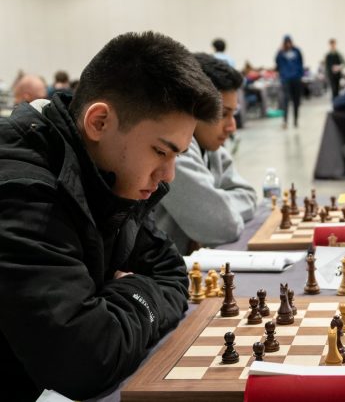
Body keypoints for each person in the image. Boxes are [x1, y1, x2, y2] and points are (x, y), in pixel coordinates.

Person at [0, 31, 220, 401]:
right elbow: (86, 359)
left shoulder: (106, 177)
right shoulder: (22, 189)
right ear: (99, 122)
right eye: (160, 151)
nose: (169, 175)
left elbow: (171, 271)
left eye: (177, 155)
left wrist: (111, 300)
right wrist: (136, 290)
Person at [155, 54, 257, 255]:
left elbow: (249, 195)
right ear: (195, 108)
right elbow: (222, 226)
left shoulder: (213, 149)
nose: (232, 126)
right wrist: (219, 210)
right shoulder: (174, 152)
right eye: (223, 114)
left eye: (233, 114)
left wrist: (220, 205)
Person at [275, 34, 304, 129]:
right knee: (286, 100)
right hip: (286, 79)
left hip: (296, 79)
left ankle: (295, 120)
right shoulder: (280, 53)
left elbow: (301, 63)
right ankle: (285, 121)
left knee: (296, 100)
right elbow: (277, 64)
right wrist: (282, 75)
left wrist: (300, 75)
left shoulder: (297, 51)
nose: (288, 44)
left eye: (289, 42)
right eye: (286, 42)